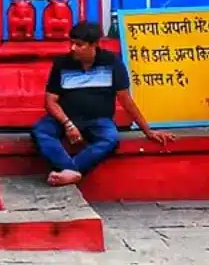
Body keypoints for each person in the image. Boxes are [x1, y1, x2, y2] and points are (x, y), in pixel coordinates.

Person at [32, 21, 175, 186]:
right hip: (66, 118)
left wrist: (147, 131)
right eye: (71, 43)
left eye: (79, 45)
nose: (73, 48)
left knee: (110, 138)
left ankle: (72, 171)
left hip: (98, 119)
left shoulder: (111, 62)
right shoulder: (62, 64)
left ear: (94, 45)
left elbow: (125, 99)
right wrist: (68, 124)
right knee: (40, 131)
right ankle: (71, 171)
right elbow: (50, 101)